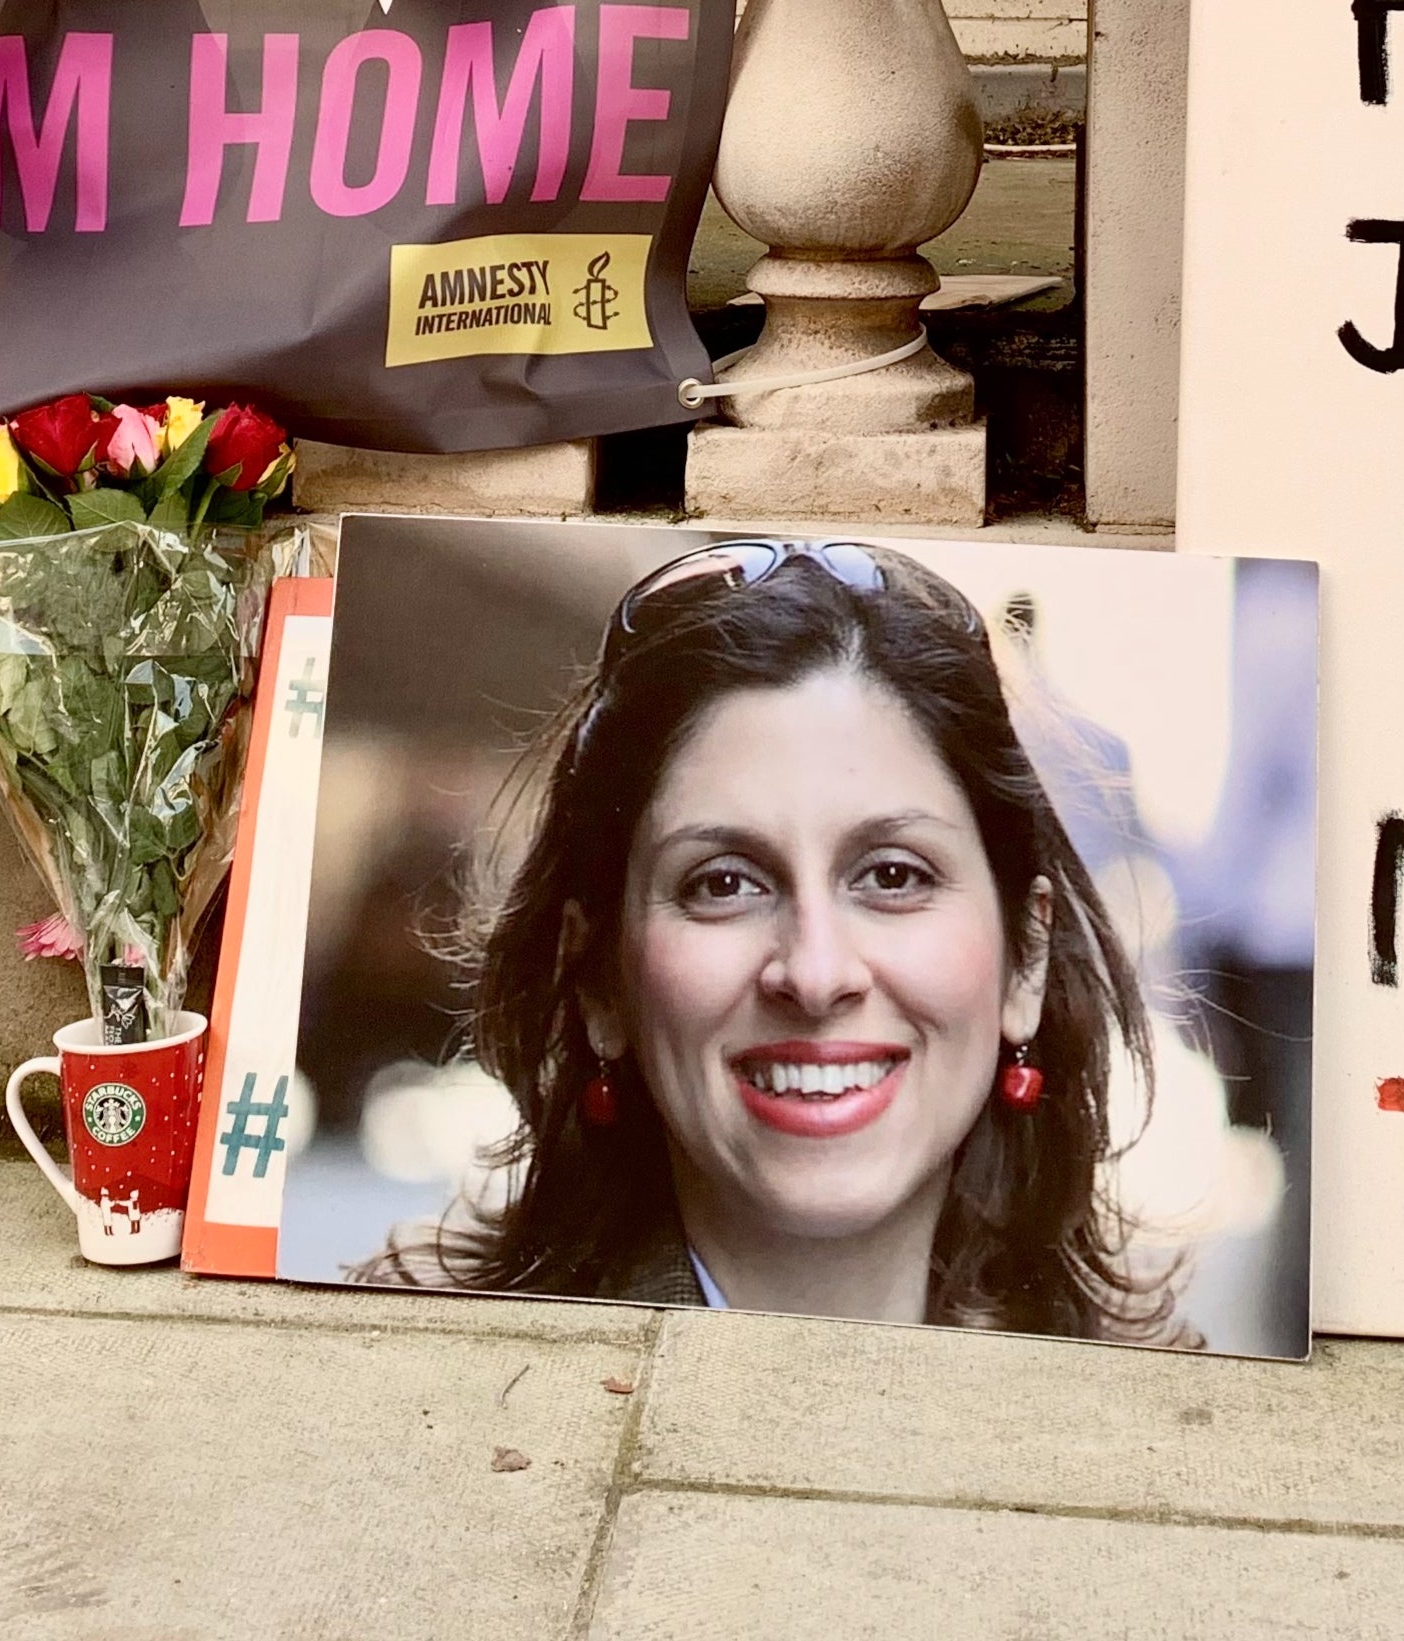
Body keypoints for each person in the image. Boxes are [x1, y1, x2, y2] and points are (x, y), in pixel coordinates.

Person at [369, 537, 1185, 1340]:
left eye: (893, 875)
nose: (817, 972)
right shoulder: (422, 1379)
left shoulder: (1167, 1423)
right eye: (724, 882)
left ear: (1025, 960)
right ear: (598, 980)